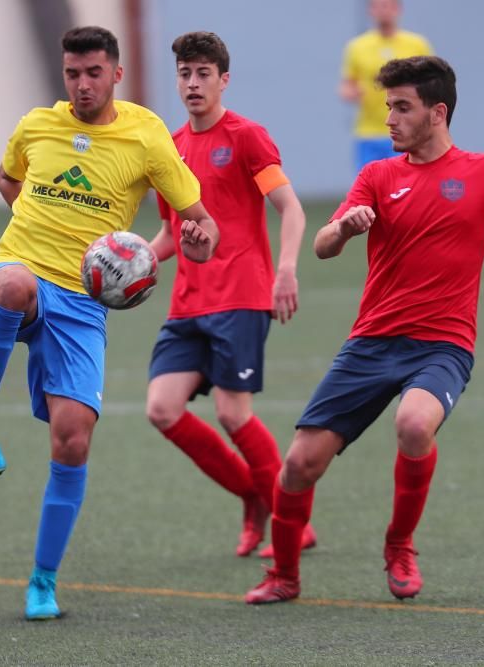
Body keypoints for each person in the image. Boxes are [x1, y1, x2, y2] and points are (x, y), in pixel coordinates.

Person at [245, 55, 484, 604]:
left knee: (415, 424)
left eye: (400, 107)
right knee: (299, 464)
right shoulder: (377, 175)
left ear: (437, 113)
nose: (388, 119)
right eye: (387, 106)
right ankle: (284, 578)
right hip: (371, 343)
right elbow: (322, 246)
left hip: (443, 345)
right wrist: (343, 227)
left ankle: (399, 544)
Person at [0, 26, 218, 620]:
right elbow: (6, 177)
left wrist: (198, 239)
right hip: (22, 267)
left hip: (82, 301)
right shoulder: (37, 124)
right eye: (72, 73)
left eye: (93, 73)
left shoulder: (146, 134)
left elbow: (199, 226)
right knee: (12, 285)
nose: (81, 84)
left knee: (73, 438)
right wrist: (36, 224)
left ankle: (43, 581)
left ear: (116, 74)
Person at [145, 31, 315, 559]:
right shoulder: (170, 148)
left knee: (232, 414)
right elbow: (174, 233)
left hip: (241, 295)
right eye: (184, 73)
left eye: (202, 74)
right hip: (188, 302)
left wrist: (285, 270)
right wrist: (133, 265)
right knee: (162, 408)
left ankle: (292, 519)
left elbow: (291, 209)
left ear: (223, 79)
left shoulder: (247, 137)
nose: (192, 83)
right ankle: (253, 495)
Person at [340, 0, 431, 172]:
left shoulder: (417, 44)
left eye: (388, 5)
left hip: (408, 130)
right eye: (378, 6)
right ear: (370, 11)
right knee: (370, 188)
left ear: (398, 9)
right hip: (369, 132)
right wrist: (351, 93)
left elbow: (431, 82)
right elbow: (346, 86)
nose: (383, 11)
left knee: (406, 186)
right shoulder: (357, 47)